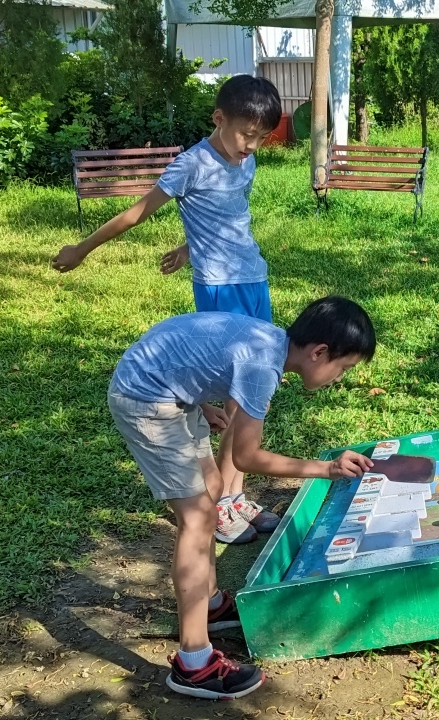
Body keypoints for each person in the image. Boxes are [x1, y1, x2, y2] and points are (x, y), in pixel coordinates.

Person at [52, 75, 285, 544]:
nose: (251, 146)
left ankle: (234, 495)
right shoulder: (190, 165)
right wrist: (82, 248)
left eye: (260, 138)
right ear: (219, 119)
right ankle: (220, 504)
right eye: (246, 134)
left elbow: (228, 217)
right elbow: (137, 212)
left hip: (253, 278)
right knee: (235, 398)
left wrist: (187, 246)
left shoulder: (247, 162)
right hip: (220, 289)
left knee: (253, 395)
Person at [106, 296, 376, 699]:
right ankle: (194, 664)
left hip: (173, 393)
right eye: (343, 367)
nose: (340, 377)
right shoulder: (262, 367)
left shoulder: (270, 344)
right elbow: (246, 457)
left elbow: (199, 355)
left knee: (213, 492)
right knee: (197, 518)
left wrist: (197, 400)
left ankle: (211, 605)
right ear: (319, 352)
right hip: (145, 398)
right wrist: (327, 468)